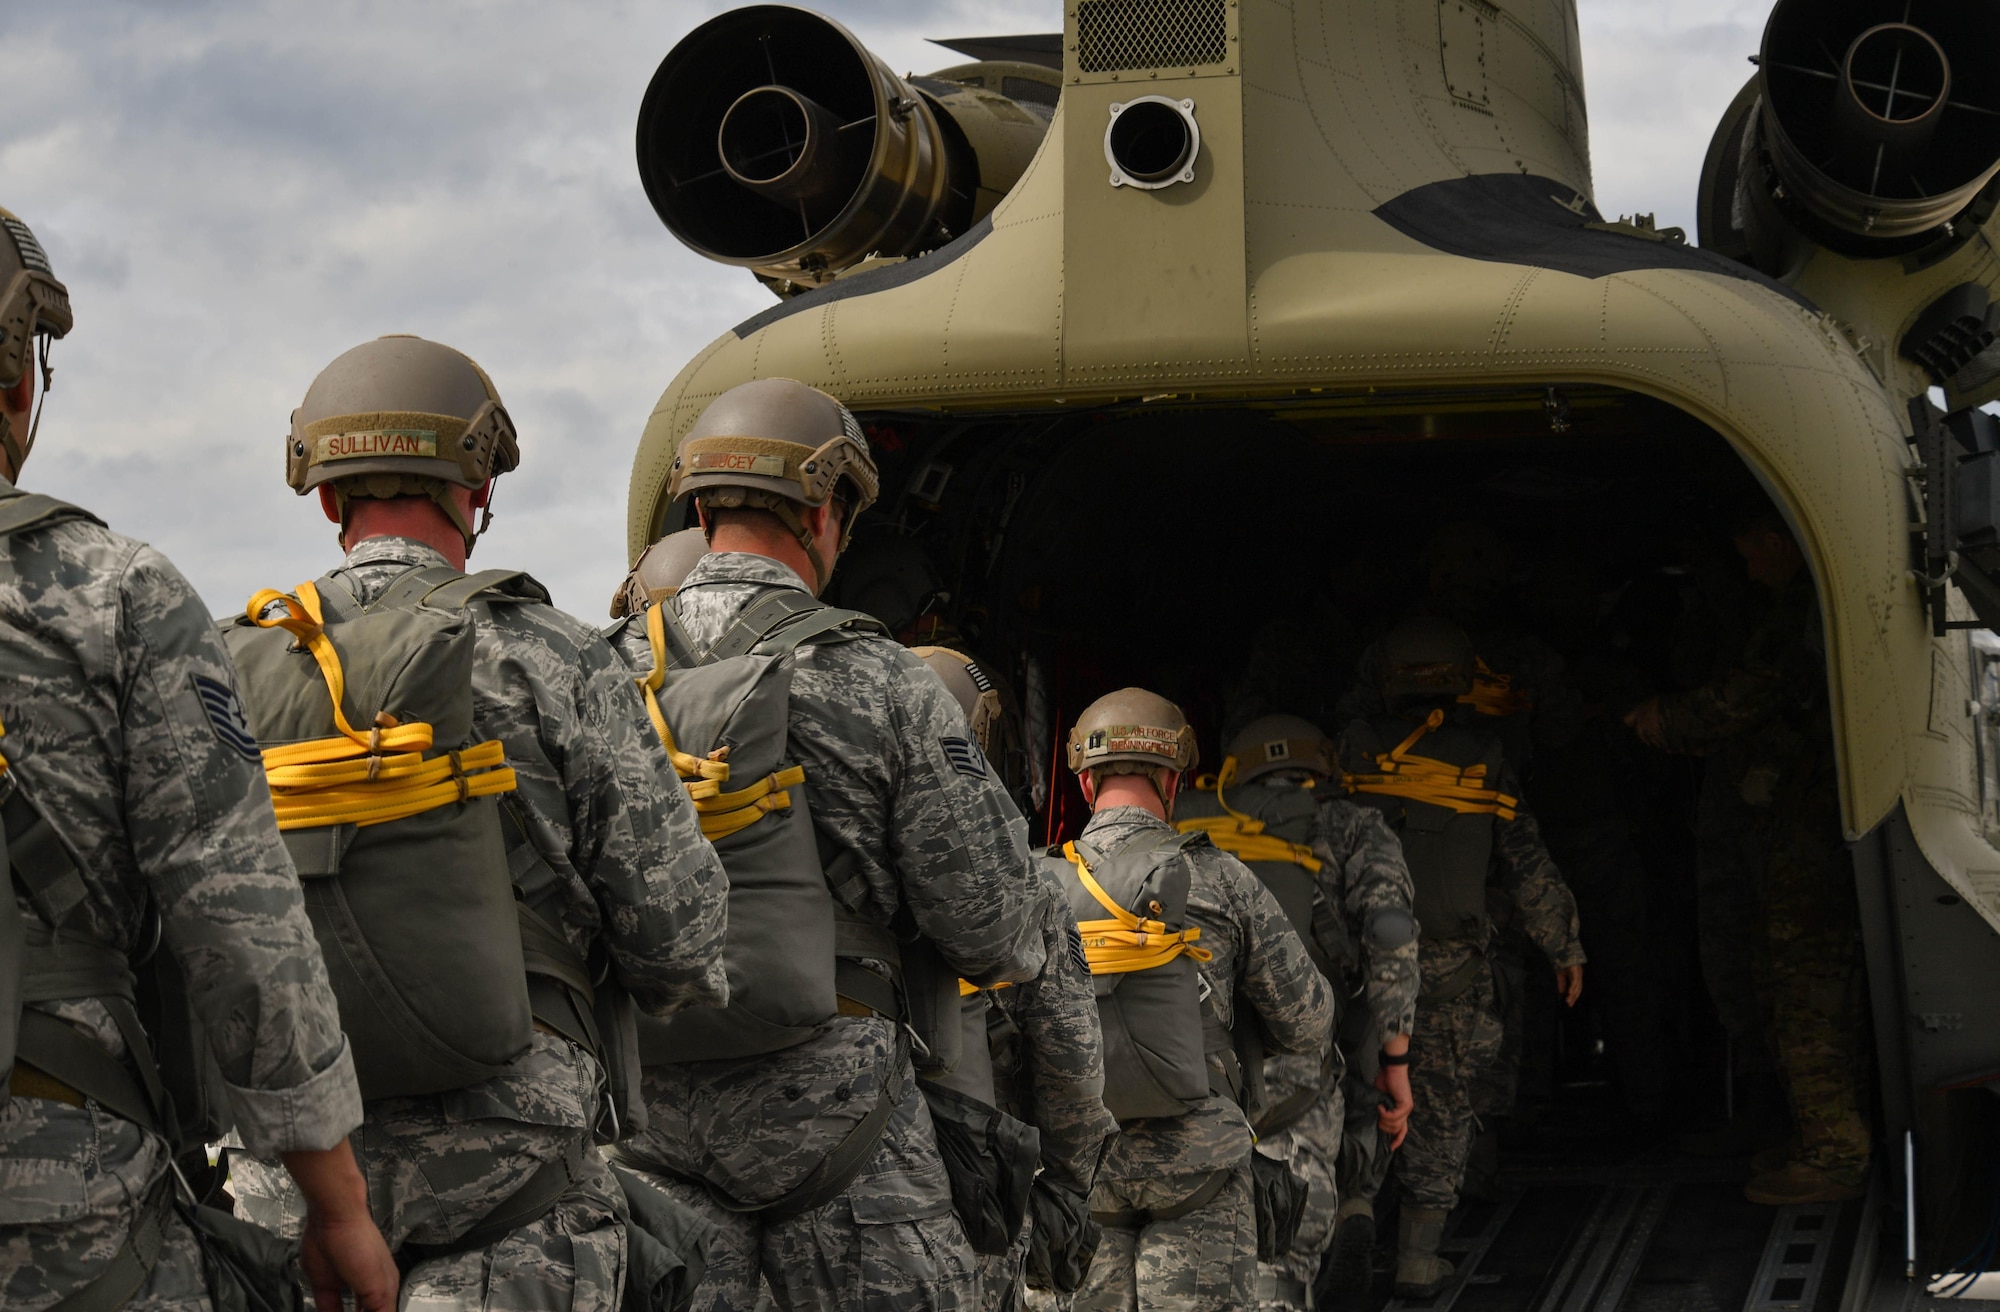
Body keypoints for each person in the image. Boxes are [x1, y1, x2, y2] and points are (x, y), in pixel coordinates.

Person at [225, 334, 732, 1310]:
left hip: (288, 1189)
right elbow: (678, 943)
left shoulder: (229, 666)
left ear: (326, 497)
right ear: (478, 488)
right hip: (512, 1182)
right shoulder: (553, 654)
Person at [0, 205, 398, 1311]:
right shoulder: (111, 591)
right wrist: (336, 1204)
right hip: (55, 1190)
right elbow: (240, 920)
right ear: (17, 379)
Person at [605, 377, 1048, 1312]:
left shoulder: (595, 673)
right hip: (838, 1118)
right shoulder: (878, 675)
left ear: (699, 505)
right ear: (823, 511)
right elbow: (991, 930)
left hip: (647, 1109)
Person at [1053, 689, 1334, 1312]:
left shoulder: (1036, 886)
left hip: (1081, 1175)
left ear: (1086, 787)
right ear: (1173, 781)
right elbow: (1308, 1023)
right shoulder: (1222, 878)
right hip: (1199, 1168)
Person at [1625, 506, 1869, 1205]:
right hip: (1791, 823)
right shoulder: (1792, 605)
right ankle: (1818, 1136)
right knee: (1782, 982)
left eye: (1753, 553)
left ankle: (1835, 1155)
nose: (1749, 569)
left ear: (1781, 541)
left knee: (1807, 987)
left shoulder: (1799, 611)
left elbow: (1746, 697)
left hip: (1810, 826)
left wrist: (1663, 720)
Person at [1336, 616, 1584, 1299]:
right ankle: (1418, 1256)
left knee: (1356, 1092)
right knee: (1444, 1105)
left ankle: (1353, 1209)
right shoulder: (1485, 756)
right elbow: (1525, 858)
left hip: (1360, 964)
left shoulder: (1349, 754)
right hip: (1452, 971)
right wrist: (1563, 944)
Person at [1172, 714, 1420, 1307]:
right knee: (1282, 1237)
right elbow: (1390, 933)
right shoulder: (1350, 825)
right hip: (1291, 1063)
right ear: (1321, 767)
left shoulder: (1180, 819)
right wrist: (1396, 1060)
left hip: (1177, 1054)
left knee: (1178, 1232)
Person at [913, 646, 1118, 1312]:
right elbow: (1071, 1071)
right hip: (974, 1200)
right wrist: (1064, 1190)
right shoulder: (1022, 886)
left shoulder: (809, 871)